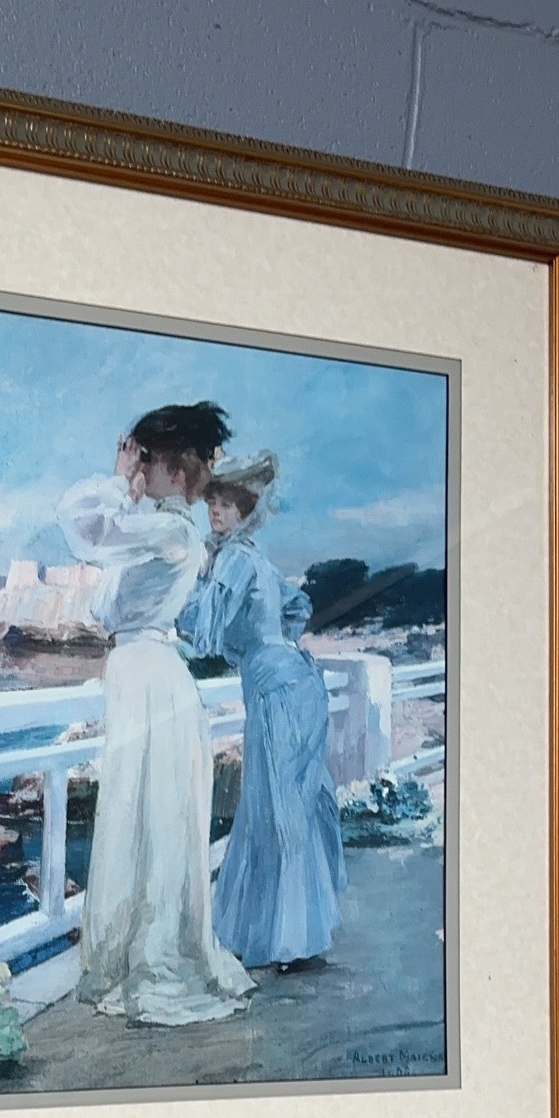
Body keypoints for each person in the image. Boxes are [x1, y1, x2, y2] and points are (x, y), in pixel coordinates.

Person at [56, 402, 256, 1027]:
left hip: (147, 679)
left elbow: (84, 526)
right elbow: (103, 595)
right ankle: (129, 955)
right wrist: (128, 492)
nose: (137, 469)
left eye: (145, 459)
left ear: (174, 469)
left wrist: (119, 483)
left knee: (147, 817)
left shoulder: (173, 533)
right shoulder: (158, 532)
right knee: (142, 815)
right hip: (142, 675)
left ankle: (152, 960)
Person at [177, 451, 347, 971]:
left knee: (276, 811)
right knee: (284, 807)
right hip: (297, 682)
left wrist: (182, 596)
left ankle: (289, 939)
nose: (216, 512)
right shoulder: (257, 559)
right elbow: (295, 609)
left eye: (227, 505)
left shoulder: (233, 559)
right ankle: (291, 934)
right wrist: (259, 645)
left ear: (245, 511)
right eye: (212, 503)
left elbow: (201, 631)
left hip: (276, 692)